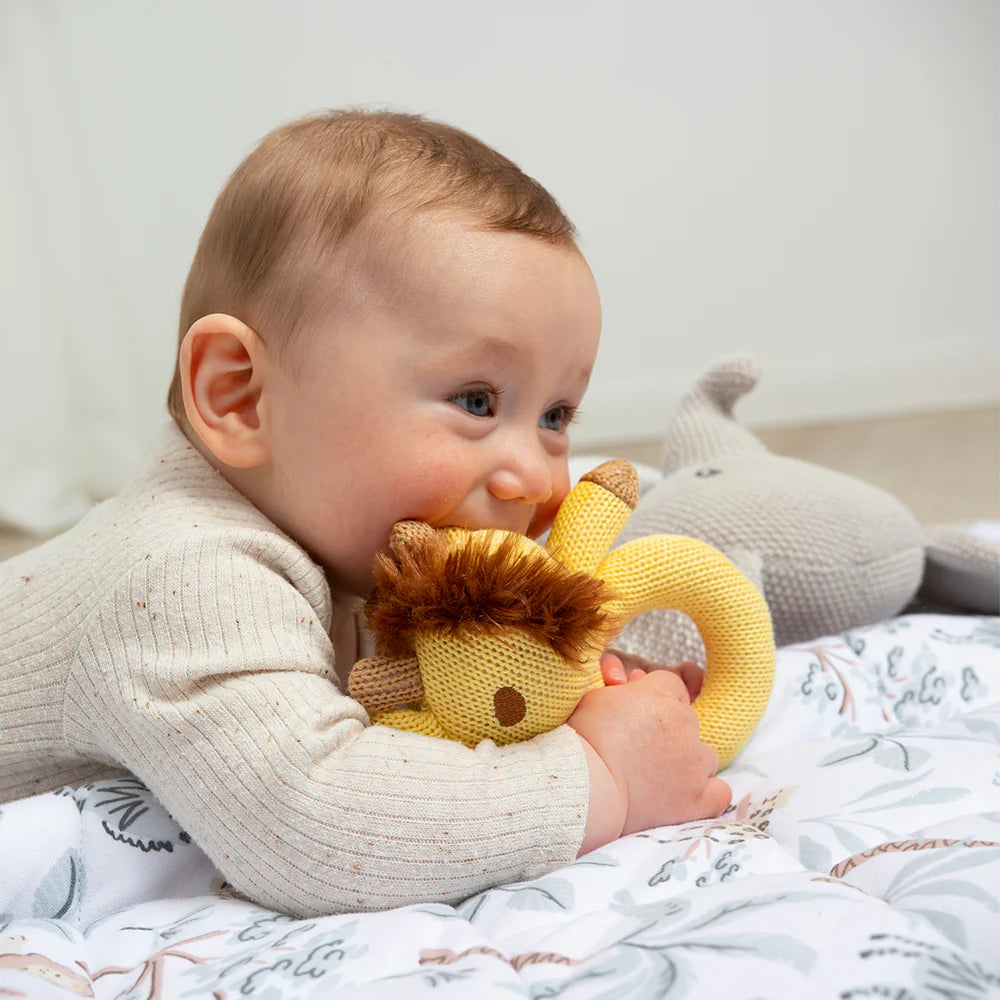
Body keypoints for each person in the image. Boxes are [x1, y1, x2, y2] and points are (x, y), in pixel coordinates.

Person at [0, 110, 730, 916]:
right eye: (477, 400)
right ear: (240, 396)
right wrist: (601, 775)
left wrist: (589, 689)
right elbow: (315, 824)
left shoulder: (337, 542)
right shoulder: (186, 575)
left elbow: (421, 702)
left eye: (557, 417)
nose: (535, 476)